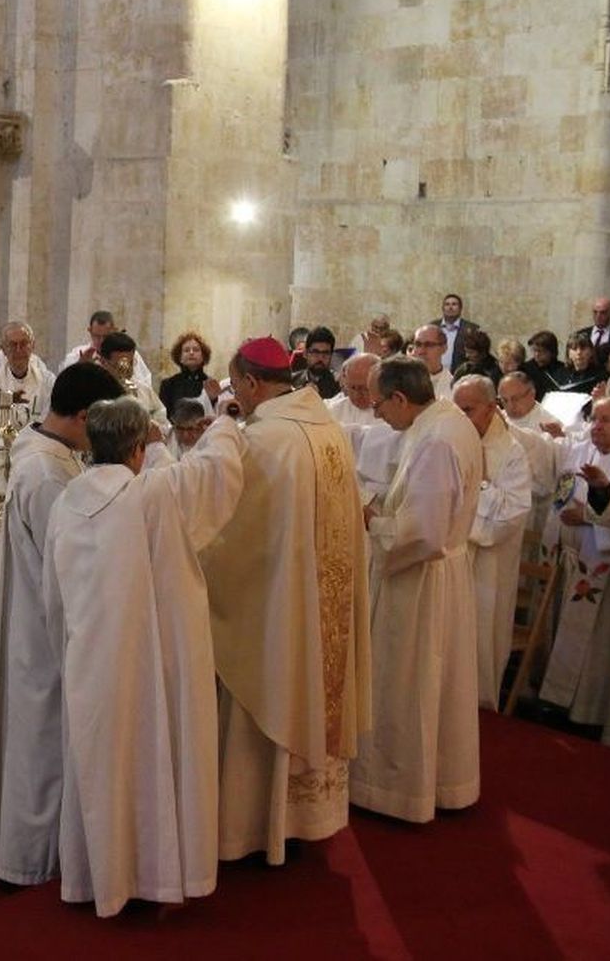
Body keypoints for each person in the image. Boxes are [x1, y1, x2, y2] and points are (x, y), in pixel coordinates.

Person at [43, 398, 244, 917]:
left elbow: (52, 596)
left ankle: (95, 877)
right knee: (150, 759)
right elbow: (218, 472)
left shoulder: (66, 501)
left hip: (88, 658)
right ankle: (151, 875)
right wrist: (223, 419)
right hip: (146, 662)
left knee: (99, 763)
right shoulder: (155, 493)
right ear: (138, 447)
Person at [202, 336, 371, 865]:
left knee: (269, 688)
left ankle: (252, 828)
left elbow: (231, 537)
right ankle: (306, 821)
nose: (238, 397)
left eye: (237, 387)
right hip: (323, 605)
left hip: (276, 610)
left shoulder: (264, 439)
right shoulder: (329, 430)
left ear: (252, 383)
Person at [0, 363, 122, 886]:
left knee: (42, 739)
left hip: (39, 623)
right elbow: (72, 561)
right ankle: (31, 862)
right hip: (47, 627)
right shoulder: (47, 473)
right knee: (41, 745)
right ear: (83, 416)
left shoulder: (48, 457)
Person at [350, 356, 483, 822]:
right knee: (436, 684)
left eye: (378, 401)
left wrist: (370, 518)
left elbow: (423, 533)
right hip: (442, 575)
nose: (375, 412)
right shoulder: (443, 423)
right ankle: (441, 781)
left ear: (400, 398)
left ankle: (398, 789)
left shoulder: (437, 440)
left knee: (409, 684)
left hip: (420, 580)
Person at [537, 396, 610, 738]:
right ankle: (556, 700)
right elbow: (562, 491)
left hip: (607, 567)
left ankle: (589, 711)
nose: (598, 426)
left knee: (597, 643)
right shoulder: (578, 451)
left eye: (608, 420)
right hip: (571, 557)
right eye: (595, 419)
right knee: (562, 629)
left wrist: (590, 514)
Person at [451, 375, 532, 710]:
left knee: (481, 638)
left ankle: (479, 709)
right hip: (451, 559)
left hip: (489, 569)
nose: (460, 418)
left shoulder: (512, 452)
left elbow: (508, 517)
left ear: (491, 408)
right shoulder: (451, 440)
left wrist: (478, 482)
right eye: (455, 410)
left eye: (467, 410)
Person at [0, 322, 54, 423]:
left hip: (36, 436)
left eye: (24, 344)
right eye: (12, 345)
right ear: (3, 349)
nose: (18, 350)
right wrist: (5, 401)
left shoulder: (48, 380)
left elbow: (53, 414)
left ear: (32, 346)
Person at [158, 331, 216, 414]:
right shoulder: (168, 384)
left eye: (196, 350)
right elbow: (163, 415)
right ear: (180, 357)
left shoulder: (210, 384)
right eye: (186, 350)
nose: (191, 353)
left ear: (203, 356)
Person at [429, 293, 479, 373]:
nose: (450, 307)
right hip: (435, 373)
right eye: (447, 304)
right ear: (443, 308)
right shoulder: (432, 327)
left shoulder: (471, 329)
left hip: (460, 375)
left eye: (454, 304)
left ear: (460, 308)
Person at [409, 324, 455, 399]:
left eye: (428, 345)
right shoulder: (400, 381)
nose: (421, 351)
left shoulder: (452, 386)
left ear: (444, 348)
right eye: (418, 344)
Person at [295, 326, 340, 399]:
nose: (320, 358)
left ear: (331, 355)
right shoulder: (292, 381)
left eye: (325, 353)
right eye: (315, 352)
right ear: (305, 353)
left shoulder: (338, 386)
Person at [522, 330, 566, 401]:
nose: (536, 354)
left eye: (540, 351)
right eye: (534, 350)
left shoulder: (562, 369)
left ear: (551, 352)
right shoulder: (526, 369)